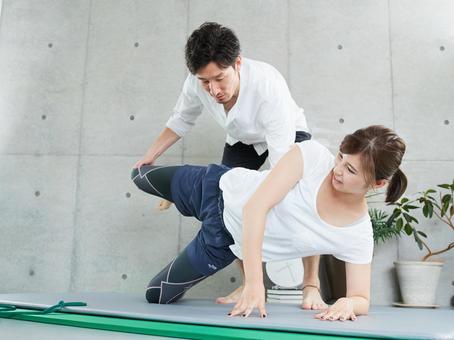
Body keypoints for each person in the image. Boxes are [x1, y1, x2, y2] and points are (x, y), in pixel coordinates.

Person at [133, 22, 324, 309]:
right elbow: (180, 119)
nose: (213, 89)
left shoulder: (268, 87)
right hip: (242, 138)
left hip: (285, 135)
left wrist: (267, 202)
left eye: (220, 79)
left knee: (303, 198)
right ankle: (248, 283)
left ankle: (312, 285)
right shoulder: (196, 84)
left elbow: (281, 158)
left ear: (237, 63)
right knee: (228, 205)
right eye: (205, 81)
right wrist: (150, 155)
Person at [131, 125, 407, 320]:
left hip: (222, 243)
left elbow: (362, 298)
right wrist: (254, 283)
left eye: (350, 169)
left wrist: (349, 303)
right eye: (340, 158)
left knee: (156, 295)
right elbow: (255, 208)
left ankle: (176, 200)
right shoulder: (311, 156)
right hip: (215, 188)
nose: (337, 169)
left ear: (378, 184)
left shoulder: (356, 235)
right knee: (138, 175)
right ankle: (176, 198)